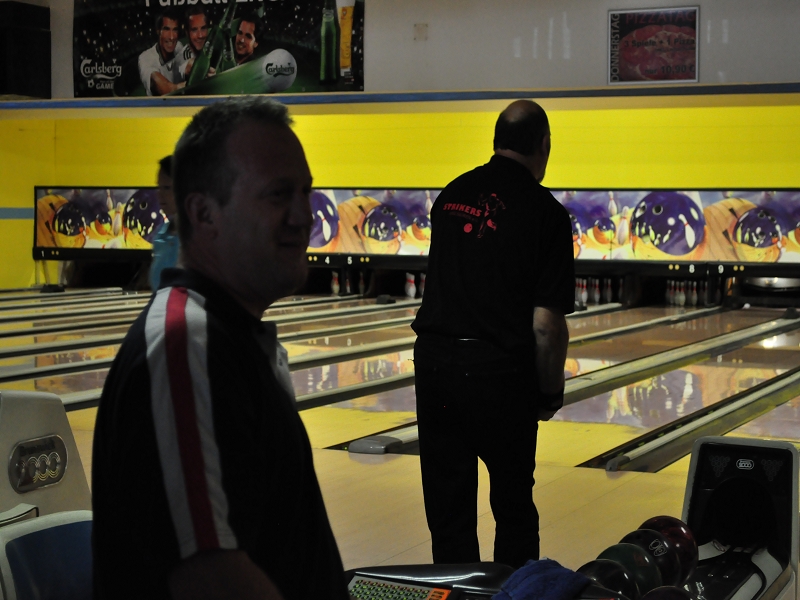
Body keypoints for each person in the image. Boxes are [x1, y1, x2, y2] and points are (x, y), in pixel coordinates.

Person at [92, 97, 350, 600]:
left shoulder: (224, 336)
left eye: (306, 191)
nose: (305, 216)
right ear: (204, 213)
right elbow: (211, 578)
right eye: (279, 194)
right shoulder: (185, 344)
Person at [411, 100, 575, 569]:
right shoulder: (546, 213)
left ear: (497, 140)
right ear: (544, 145)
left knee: (448, 513)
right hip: (500, 377)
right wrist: (550, 392)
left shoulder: (450, 195)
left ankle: (455, 594)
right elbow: (546, 324)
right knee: (514, 507)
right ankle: (515, 594)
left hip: (436, 369)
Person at [149, 155, 180, 291]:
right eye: (159, 187)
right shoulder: (161, 235)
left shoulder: (201, 238)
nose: (159, 194)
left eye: (167, 188)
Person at [138, 9, 186, 96]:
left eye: (175, 30)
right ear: (158, 31)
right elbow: (164, 88)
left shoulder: (178, 46)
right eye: (166, 29)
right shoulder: (145, 58)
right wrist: (186, 86)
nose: (171, 37)